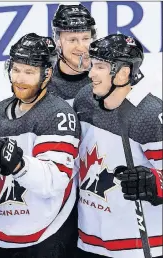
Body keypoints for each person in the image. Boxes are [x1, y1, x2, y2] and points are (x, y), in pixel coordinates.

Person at [0, 33, 81, 257]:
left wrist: (18, 164)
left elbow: (54, 180)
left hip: (46, 236)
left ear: (47, 74)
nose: (20, 78)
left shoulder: (58, 115)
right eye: (16, 69)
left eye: (29, 72)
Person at [73, 34, 163, 258]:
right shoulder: (84, 100)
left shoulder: (150, 114)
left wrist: (155, 183)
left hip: (137, 247)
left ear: (123, 72)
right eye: (92, 65)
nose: (91, 73)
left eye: (100, 67)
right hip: (88, 241)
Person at [48, 4, 96, 106]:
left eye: (86, 38)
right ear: (58, 41)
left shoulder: (112, 70)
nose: (81, 47)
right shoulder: (45, 81)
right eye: (72, 40)